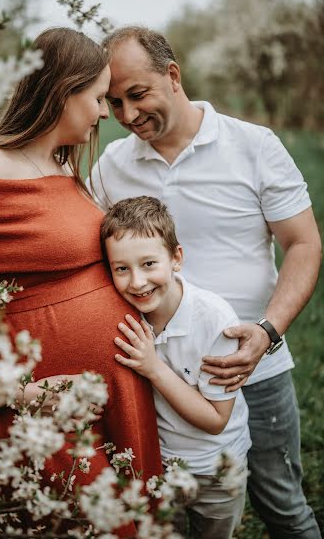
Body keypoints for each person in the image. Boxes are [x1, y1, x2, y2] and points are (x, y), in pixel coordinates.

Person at [0, 27, 162, 533]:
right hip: (42, 405)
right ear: (62, 91)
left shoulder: (61, 167)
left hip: (113, 391)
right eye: (98, 98)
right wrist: (10, 389)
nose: (104, 113)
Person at [88, 26, 322, 538]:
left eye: (137, 95)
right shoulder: (112, 167)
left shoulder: (253, 145)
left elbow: (304, 245)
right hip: (154, 376)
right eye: (114, 102)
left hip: (251, 368)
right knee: (162, 513)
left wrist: (267, 331)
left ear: (172, 75)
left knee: (282, 505)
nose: (126, 116)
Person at [100, 195, 251, 539]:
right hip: (160, 466)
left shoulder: (215, 321)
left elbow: (215, 420)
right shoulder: (124, 315)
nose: (137, 282)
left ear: (176, 258)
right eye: (122, 269)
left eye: (149, 264)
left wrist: (153, 367)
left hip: (216, 469)